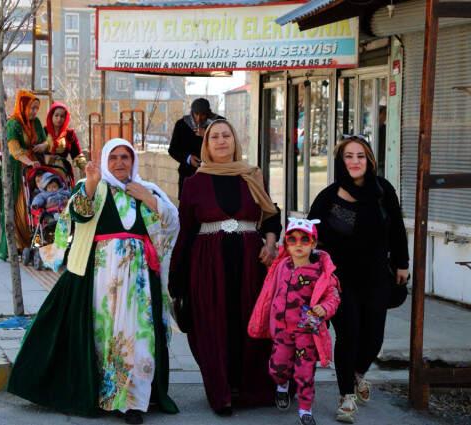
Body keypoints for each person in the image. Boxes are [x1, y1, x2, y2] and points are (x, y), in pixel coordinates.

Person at [8, 138, 179, 424]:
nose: (120, 162)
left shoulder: (146, 190)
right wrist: (89, 182)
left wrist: (147, 199)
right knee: (106, 334)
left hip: (139, 280)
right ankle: (106, 396)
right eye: (113, 157)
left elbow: (172, 224)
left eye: (125, 157)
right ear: (104, 161)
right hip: (101, 276)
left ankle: (133, 402)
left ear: (133, 160)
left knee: (137, 335)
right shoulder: (94, 187)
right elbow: (77, 214)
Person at [169, 119, 281, 415]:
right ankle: (221, 394)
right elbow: (187, 231)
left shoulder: (252, 176)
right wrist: (176, 281)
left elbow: (271, 217)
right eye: (214, 137)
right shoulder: (194, 183)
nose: (221, 141)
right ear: (206, 145)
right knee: (213, 325)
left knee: (249, 322)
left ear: (235, 141)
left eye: (226, 135)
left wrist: (270, 244)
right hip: (207, 264)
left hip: (249, 263)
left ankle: (249, 389)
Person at [307, 136, 409, 423]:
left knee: (373, 338)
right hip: (340, 279)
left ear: (369, 160)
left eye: (360, 156)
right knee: (349, 334)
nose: (354, 161)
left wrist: (402, 263)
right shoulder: (327, 197)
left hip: (376, 274)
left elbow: (397, 228)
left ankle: (357, 373)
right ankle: (346, 396)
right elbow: (311, 237)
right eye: (349, 156)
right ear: (341, 161)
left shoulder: (383, 190)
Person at [248, 218, 341, 425]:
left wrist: (324, 308)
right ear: (286, 243)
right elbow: (269, 291)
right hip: (281, 330)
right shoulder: (281, 266)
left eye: (304, 239)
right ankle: (282, 386)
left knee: (305, 372)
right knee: (277, 368)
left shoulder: (321, 273)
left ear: (313, 244)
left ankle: (305, 409)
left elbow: (333, 296)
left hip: (306, 331)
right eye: (292, 239)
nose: (298, 244)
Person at [0, 89, 45, 260]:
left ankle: (32, 242)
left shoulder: (36, 122)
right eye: (31, 108)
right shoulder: (13, 124)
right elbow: (15, 151)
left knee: (34, 205)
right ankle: (16, 245)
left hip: (34, 168)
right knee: (17, 207)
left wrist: (43, 147)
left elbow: (45, 140)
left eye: (36, 108)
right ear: (23, 106)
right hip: (16, 169)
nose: (34, 112)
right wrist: (29, 161)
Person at [168, 98, 223, 199]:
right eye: (196, 114)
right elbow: (173, 150)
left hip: (213, 175)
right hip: (188, 175)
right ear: (192, 112)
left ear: (208, 113)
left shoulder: (220, 123)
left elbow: (225, 147)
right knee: (187, 211)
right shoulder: (182, 124)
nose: (198, 118)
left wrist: (206, 135)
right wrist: (188, 158)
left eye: (202, 115)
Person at [40, 102, 87, 173]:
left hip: (62, 170)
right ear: (51, 116)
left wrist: (85, 168)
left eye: (62, 116)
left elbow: (77, 154)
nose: (59, 119)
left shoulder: (69, 134)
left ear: (65, 118)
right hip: (45, 170)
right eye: (56, 115)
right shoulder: (43, 131)